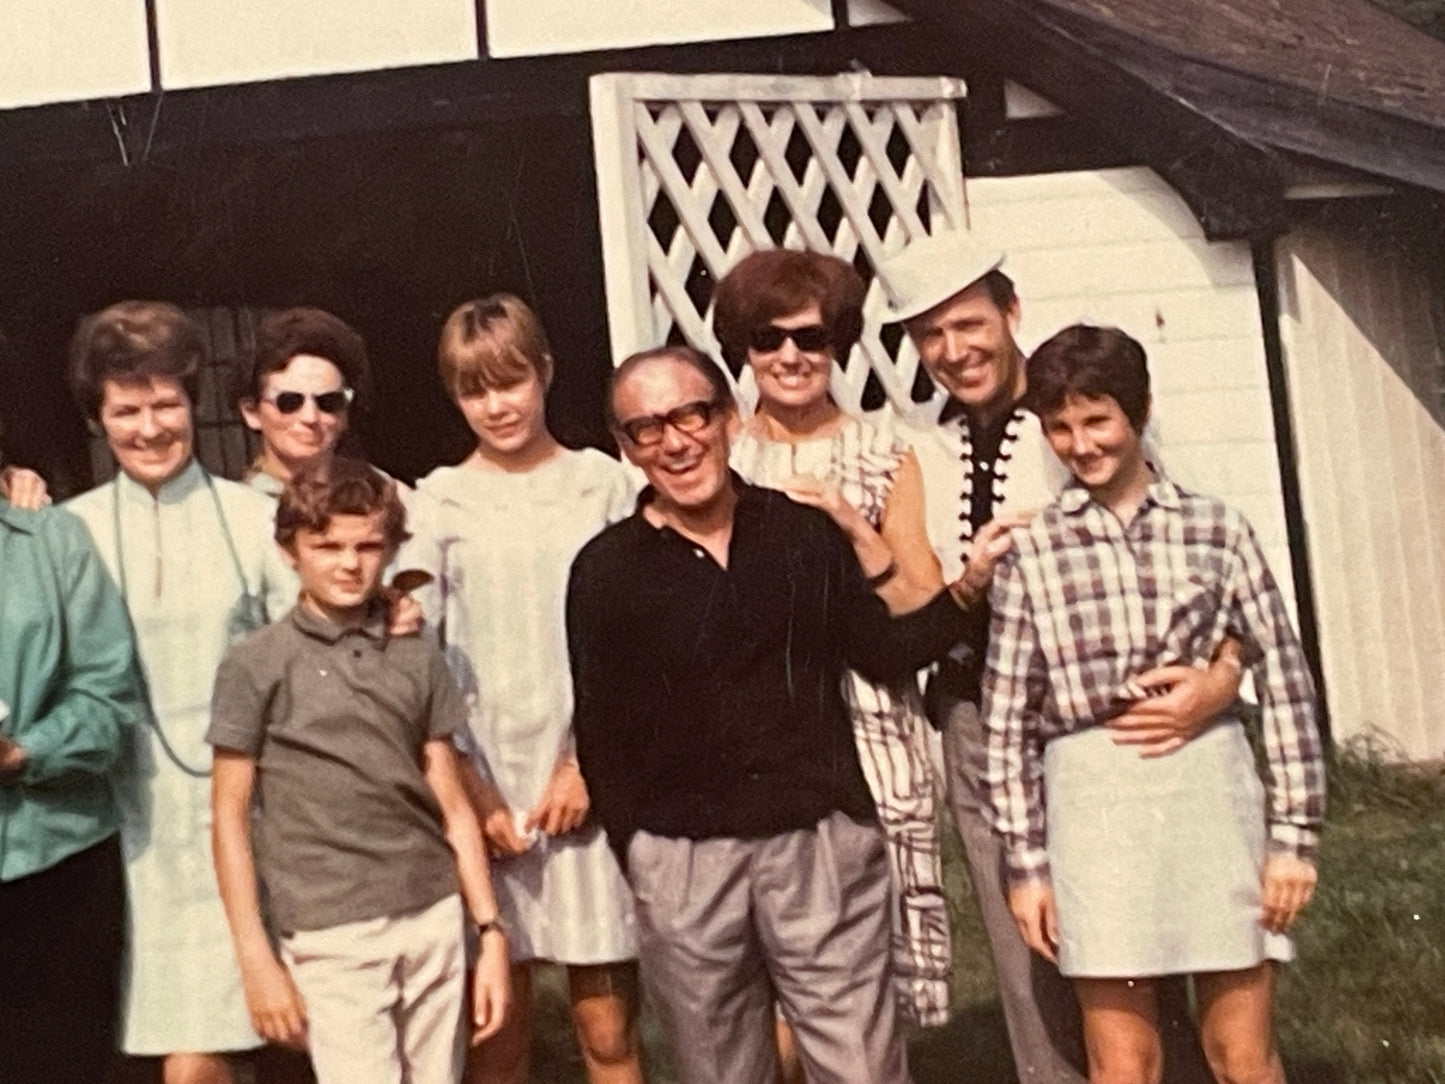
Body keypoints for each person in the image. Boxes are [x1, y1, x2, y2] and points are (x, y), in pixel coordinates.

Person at [566, 344, 1005, 1084]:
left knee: (862, 1068)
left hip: (817, 847)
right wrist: (641, 853)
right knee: (721, 1072)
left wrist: (965, 593)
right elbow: (602, 733)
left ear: (727, 419)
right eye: (646, 429)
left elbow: (881, 650)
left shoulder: (800, 534)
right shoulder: (607, 571)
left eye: (689, 414)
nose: (674, 441)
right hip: (685, 863)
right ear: (626, 448)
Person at [878, 231, 1239, 1082]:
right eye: (930, 336)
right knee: (1030, 943)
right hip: (983, 722)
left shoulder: (1079, 424)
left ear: (1009, 313)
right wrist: (967, 582)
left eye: (967, 324)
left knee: (1145, 942)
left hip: (1110, 722)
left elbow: (1198, 557)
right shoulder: (921, 456)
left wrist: (1217, 680)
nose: (953, 351)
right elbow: (911, 609)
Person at [983, 324, 1325, 1084]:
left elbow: (1288, 680)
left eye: (1096, 419)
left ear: (1136, 412)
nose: (1080, 443)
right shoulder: (1033, 552)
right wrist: (1028, 866)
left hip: (1206, 792)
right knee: (1122, 1060)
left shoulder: (1215, 529)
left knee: (1240, 1054)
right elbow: (1006, 725)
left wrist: (1292, 839)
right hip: (1093, 808)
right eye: (1060, 427)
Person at [402, 294, 645, 1084]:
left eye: (510, 382)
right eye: (475, 390)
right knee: (495, 1033)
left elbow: (632, 641)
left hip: (583, 779)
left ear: (544, 372)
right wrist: (471, 794)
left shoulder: (603, 487)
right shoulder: (435, 501)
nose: (496, 405)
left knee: (605, 1028)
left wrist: (586, 766)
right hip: (483, 788)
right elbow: (420, 659)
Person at [209, 458, 511, 1084]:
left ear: (393, 549)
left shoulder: (415, 651)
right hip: (330, 930)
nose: (349, 563)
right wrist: (255, 958)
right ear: (290, 549)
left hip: (431, 913)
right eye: (327, 546)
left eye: (369, 546)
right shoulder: (256, 663)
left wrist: (490, 929)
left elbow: (450, 798)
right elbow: (230, 816)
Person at [715, 247, 951, 1028]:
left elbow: (920, 602)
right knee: (772, 983)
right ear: (742, 349)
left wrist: (852, 526)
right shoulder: (719, 456)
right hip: (760, 730)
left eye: (809, 338)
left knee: (876, 987)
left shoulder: (885, 452)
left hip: (868, 721)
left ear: (837, 343)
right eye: (767, 339)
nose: (789, 357)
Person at [64, 300, 296, 1083]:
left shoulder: (256, 518)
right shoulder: (70, 532)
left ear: (192, 401)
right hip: (133, 831)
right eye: (126, 410)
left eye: (165, 403)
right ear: (99, 418)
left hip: (252, 816)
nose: (150, 427)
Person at [0, 483, 145, 1084]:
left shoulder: (51, 541)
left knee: (59, 1063)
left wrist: (23, 753)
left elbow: (109, 690)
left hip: (55, 855)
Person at [237, 307, 376, 499]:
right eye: (289, 401)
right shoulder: (234, 513)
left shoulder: (385, 498)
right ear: (251, 412)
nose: (310, 417)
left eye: (328, 401)